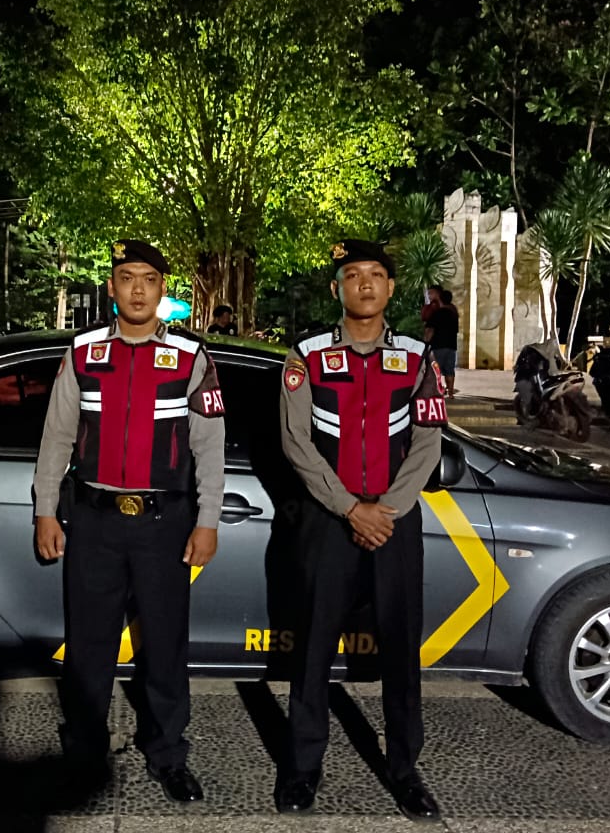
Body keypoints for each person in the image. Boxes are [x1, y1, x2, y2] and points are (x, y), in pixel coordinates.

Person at [33, 239, 226, 803]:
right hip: (94, 522)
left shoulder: (191, 357)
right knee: (88, 647)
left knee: (164, 645)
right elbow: (56, 437)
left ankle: (168, 754)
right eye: (126, 277)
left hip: (165, 523)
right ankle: (84, 754)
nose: (137, 289)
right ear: (111, 286)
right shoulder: (83, 352)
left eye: (148, 279)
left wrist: (208, 519)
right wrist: (46, 509)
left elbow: (209, 446)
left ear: (162, 289)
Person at [275, 239, 447, 822]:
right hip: (328, 522)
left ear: (392, 288)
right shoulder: (307, 356)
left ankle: (404, 769)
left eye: (376, 274)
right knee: (313, 648)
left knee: (401, 647)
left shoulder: (418, 359)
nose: (366, 284)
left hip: (395, 523)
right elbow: (296, 442)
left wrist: (386, 510)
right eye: (353, 275)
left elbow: (427, 442)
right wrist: (351, 509)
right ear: (337, 288)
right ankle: (302, 769)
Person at [424, 289, 459, 394]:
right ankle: (451, 391)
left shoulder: (437, 313)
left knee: (435, 370)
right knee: (450, 370)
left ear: (440, 299)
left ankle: (437, 390)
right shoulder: (454, 313)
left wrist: (425, 343)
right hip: (451, 345)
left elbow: (430, 330)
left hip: (438, 345)